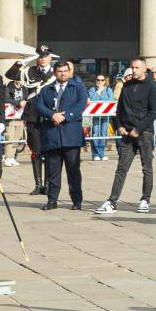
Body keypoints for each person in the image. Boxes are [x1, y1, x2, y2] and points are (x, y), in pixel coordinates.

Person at [96, 58, 156, 215]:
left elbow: (154, 111)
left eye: (137, 67)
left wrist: (139, 129)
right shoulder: (127, 85)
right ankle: (112, 201)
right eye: (132, 67)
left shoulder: (151, 86)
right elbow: (119, 109)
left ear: (145, 69)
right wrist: (119, 126)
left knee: (147, 167)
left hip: (143, 132)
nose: (134, 70)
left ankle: (145, 199)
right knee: (121, 168)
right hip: (126, 132)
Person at [34, 59, 86, 210]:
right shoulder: (47, 89)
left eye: (65, 71)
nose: (63, 74)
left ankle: (77, 201)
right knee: (53, 170)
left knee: (73, 171)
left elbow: (81, 104)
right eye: (60, 71)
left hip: (71, 135)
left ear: (69, 72)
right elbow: (39, 105)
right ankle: (52, 200)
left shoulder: (77, 87)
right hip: (53, 135)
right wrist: (52, 115)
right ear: (55, 72)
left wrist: (65, 116)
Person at [21, 45, 57, 194]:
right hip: (33, 116)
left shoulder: (56, 73)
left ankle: (48, 184)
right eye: (40, 56)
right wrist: (21, 63)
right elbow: (11, 74)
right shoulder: (30, 71)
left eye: (45, 56)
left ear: (50, 57)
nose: (42, 59)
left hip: (48, 116)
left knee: (48, 151)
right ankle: (38, 184)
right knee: (36, 152)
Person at [86, 74, 114, 161]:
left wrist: (100, 99)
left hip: (105, 116)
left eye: (102, 80)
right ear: (96, 81)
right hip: (95, 116)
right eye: (98, 80)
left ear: (105, 81)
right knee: (95, 133)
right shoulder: (92, 89)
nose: (100, 82)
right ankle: (95, 154)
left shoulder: (109, 90)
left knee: (103, 134)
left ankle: (102, 153)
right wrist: (98, 92)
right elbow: (92, 99)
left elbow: (111, 100)